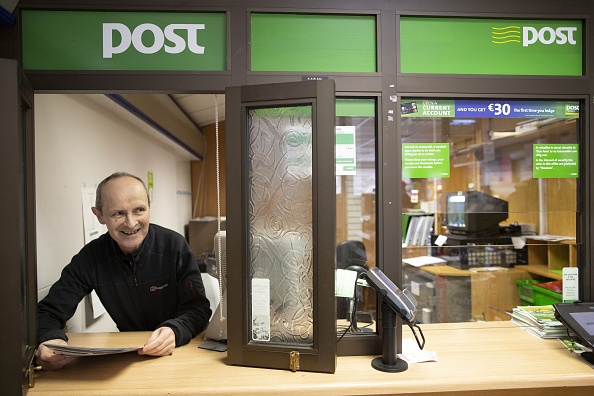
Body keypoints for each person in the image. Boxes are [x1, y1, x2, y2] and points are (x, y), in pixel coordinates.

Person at [35, 172, 212, 370]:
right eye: (118, 213)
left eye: (139, 210)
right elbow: (47, 312)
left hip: (181, 352)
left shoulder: (174, 246)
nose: (131, 223)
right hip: (131, 360)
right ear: (99, 215)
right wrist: (51, 340)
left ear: (149, 207)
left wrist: (175, 330)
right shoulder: (90, 258)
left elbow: (199, 310)